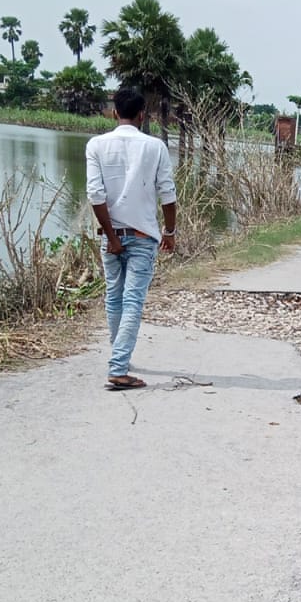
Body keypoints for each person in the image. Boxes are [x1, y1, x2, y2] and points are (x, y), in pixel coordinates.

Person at [86, 87, 177, 391]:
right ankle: (118, 367)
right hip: (143, 236)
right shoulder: (155, 147)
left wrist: (112, 237)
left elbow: (95, 195)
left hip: (110, 233)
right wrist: (170, 232)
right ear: (142, 115)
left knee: (114, 297)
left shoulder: (96, 145)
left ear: (115, 113)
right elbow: (168, 194)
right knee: (132, 301)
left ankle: (119, 357)